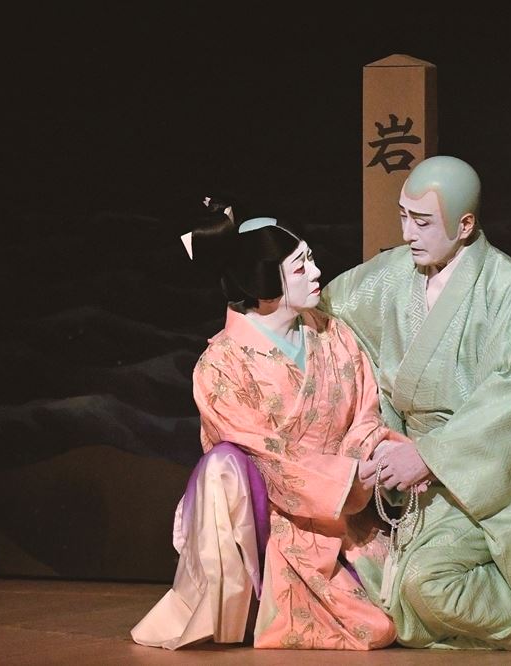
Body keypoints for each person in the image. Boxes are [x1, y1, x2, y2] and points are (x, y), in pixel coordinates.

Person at [321, 156, 511, 650]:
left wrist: (429, 456)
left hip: (472, 479)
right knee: (368, 587)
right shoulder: (393, 274)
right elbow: (329, 314)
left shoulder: (509, 289)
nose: (408, 233)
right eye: (403, 216)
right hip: (399, 469)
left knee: (424, 585)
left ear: (466, 225)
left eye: (423, 221)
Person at [131, 201, 396, 650]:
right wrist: (344, 477)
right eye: (301, 267)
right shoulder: (220, 364)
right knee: (372, 628)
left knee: (407, 606)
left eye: (311, 259)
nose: (317, 273)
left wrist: (364, 459)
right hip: (274, 517)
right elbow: (263, 456)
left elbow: (365, 408)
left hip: (349, 503)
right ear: (265, 281)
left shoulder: (332, 334)